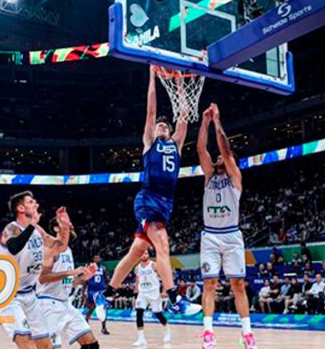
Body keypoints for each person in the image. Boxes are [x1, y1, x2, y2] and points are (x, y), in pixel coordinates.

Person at [100, 66, 198, 315]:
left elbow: (184, 114)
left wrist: (178, 84)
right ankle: (175, 299)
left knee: (136, 252)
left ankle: (107, 294)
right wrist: (153, 77)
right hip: (148, 199)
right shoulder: (148, 142)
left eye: (166, 126)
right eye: (160, 126)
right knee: (163, 246)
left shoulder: (176, 144)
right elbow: (151, 109)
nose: (163, 126)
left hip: (166, 202)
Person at [197, 103, 256, 348]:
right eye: (218, 157)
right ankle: (209, 331)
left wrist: (218, 121)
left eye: (221, 157)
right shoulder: (210, 176)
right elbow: (201, 149)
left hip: (231, 235)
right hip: (210, 235)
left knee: (238, 285)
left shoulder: (235, 177)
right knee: (209, 283)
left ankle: (247, 333)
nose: (218, 157)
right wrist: (204, 122)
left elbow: (225, 149)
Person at [0, 191, 70, 349]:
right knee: (26, 343)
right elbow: (14, 247)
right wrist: (31, 225)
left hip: (30, 294)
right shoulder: (11, 228)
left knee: (46, 346)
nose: (36, 204)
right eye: (31, 202)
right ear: (21, 208)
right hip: (8, 295)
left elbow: (60, 246)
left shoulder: (37, 230)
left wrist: (65, 227)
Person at [37, 217, 99, 349]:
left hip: (65, 303)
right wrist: (70, 272)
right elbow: (42, 278)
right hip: (48, 304)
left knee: (91, 344)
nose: (70, 226)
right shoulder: (51, 248)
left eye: (70, 224)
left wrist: (84, 278)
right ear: (56, 228)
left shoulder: (68, 250)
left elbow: (68, 282)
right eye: (65, 224)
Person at [132, 249, 171, 347]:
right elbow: (137, 281)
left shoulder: (154, 265)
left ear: (148, 255)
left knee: (158, 314)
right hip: (143, 293)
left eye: (145, 253)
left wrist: (164, 291)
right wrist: (136, 294)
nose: (144, 255)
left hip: (154, 293)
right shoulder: (137, 268)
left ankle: (167, 330)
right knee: (139, 314)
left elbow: (164, 277)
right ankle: (141, 338)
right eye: (142, 254)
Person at [84, 255, 109, 335]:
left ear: (100, 259)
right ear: (93, 259)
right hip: (91, 291)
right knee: (91, 308)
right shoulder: (90, 268)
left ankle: (104, 328)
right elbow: (85, 281)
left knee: (102, 310)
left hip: (100, 291)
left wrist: (107, 289)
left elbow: (107, 279)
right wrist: (83, 292)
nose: (97, 259)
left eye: (98, 258)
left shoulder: (103, 268)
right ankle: (85, 324)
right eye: (95, 258)